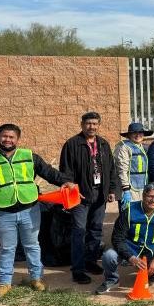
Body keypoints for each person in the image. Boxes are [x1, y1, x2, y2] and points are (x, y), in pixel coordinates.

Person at [0, 123, 75, 296]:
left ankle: (36, 278)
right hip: (2, 213)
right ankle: (4, 282)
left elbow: (48, 172)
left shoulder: (29, 156)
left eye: (11, 137)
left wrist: (65, 181)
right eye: (4, 136)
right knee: (7, 248)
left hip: (30, 210)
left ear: (17, 139)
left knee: (32, 245)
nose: (7, 139)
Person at [60, 111, 118, 285]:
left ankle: (90, 261)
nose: (91, 127)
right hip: (80, 194)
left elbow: (111, 169)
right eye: (88, 123)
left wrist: (111, 189)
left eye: (95, 124)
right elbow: (66, 171)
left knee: (96, 229)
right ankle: (77, 269)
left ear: (99, 125)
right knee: (79, 231)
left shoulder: (103, 144)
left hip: (100, 193)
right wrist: (71, 188)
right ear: (82, 124)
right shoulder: (72, 144)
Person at [95, 182, 154, 294]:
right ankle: (112, 279)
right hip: (130, 248)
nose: (153, 200)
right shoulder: (130, 210)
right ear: (143, 196)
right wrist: (130, 257)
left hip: (152, 248)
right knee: (109, 256)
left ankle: (151, 273)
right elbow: (117, 238)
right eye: (150, 196)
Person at [113, 122, 149, 204]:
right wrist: (126, 189)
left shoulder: (143, 148)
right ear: (129, 135)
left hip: (142, 188)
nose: (137, 135)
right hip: (128, 189)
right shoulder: (124, 148)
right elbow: (122, 170)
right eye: (134, 133)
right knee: (128, 215)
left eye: (140, 133)